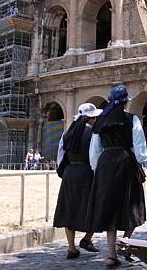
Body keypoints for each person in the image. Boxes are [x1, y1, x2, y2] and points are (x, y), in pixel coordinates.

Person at [86, 85, 147, 268]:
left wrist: (97, 170)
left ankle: (111, 254)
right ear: (125, 102)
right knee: (133, 205)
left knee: (110, 208)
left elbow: (94, 150)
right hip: (126, 162)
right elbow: (139, 146)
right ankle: (124, 243)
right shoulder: (131, 119)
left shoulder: (100, 121)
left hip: (105, 165)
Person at [54, 103, 103, 259]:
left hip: (70, 173)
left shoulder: (66, 134)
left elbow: (60, 156)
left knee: (70, 209)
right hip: (87, 173)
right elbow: (96, 155)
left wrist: (63, 172)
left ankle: (71, 248)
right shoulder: (94, 134)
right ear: (91, 117)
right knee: (95, 208)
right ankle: (87, 239)